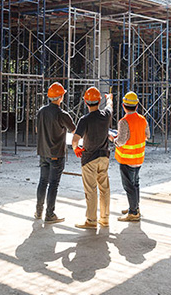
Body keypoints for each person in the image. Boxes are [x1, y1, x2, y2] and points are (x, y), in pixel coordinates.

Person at [72, 87, 113, 229]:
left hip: (89, 159)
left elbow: (75, 139)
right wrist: (109, 98)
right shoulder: (106, 115)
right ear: (99, 100)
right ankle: (105, 218)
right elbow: (110, 106)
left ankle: (91, 220)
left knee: (91, 190)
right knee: (104, 189)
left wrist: (76, 148)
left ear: (85, 101)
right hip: (104, 157)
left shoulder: (84, 119)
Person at [35, 82, 75, 224]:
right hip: (56, 154)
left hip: (43, 153)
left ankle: (38, 211)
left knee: (43, 182)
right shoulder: (62, 114)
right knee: (53, 184)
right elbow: (75, 131)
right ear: (60, 97)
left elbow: (37, 130)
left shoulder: (41, 111)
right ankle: (50, 214)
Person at [110, 91, 150, 222]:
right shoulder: (143, 119)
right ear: (137, 105)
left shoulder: (124, 121)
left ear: (123, 105)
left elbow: (121, 141)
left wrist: (113, 139)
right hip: (139, 158)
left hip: (127, 159)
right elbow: (147, 135)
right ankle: (135, 207)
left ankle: (133, 212)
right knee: (135, 183)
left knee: (129, 186)